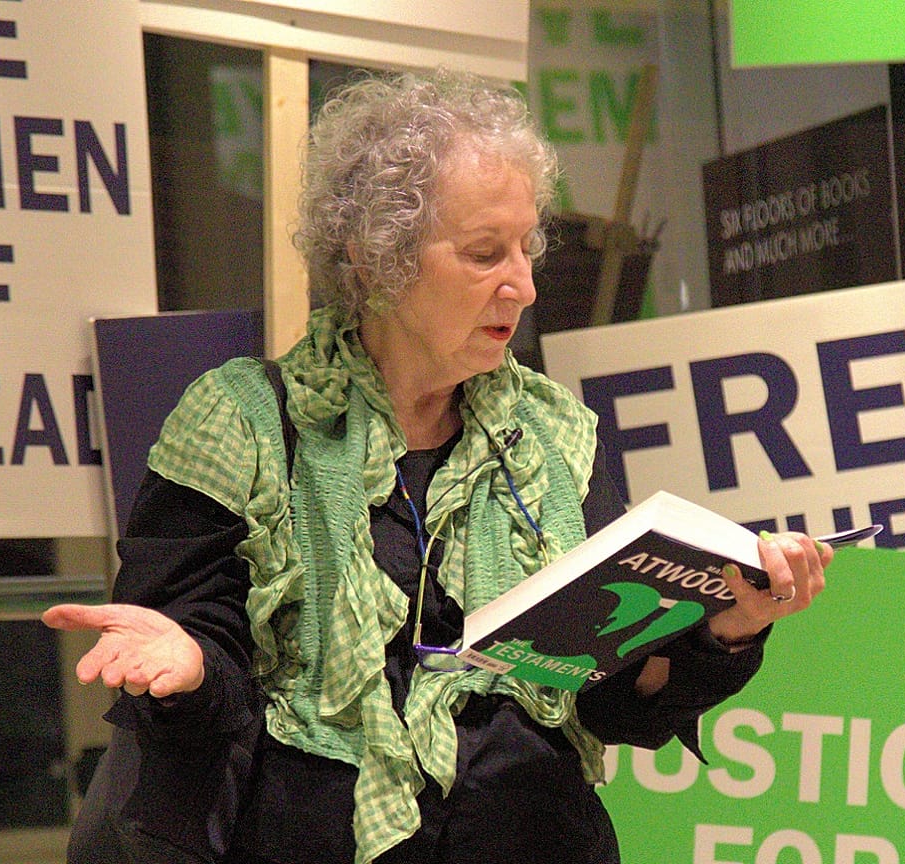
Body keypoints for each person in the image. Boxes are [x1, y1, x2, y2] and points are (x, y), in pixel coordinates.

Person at [43, 67, 834, 864]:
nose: (522, 285)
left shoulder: (557, 438)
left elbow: (620, 706)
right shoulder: (241, 421)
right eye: (486, 253)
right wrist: (188, 663)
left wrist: (727, 630)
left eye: (528, 247)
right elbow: (202, 663)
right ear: (375, 257)